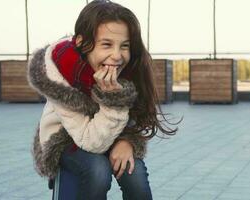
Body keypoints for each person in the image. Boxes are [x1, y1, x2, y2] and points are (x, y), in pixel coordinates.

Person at [27, 1, 178, 199]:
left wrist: (128, 141)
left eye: (124, 46)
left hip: (108, 132)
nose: (117, 56)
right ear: (82, 43)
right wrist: (114, 100)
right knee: (97, 171)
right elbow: (91, 142)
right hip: (65, 138)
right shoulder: (61, 75)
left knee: (135, 172)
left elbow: (137, 117)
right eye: (106, 44)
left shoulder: (129, 67)